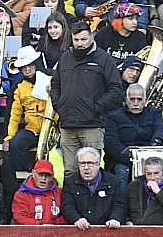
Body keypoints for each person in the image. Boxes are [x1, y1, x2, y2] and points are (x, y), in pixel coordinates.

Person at [52, 22, 123, 174]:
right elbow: (55, 84)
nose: (80, 44)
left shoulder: (104, 59)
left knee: (91, 171)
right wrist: (58, 105)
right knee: (70, 171)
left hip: (92, 125)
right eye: (76, 40)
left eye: (83, 39)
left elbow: (116, 89)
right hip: (67, 124)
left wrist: (97, 108)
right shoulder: (65, 57)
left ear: (92, 38)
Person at [104, 83, 163, 191]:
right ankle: (122, 201)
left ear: (145, 100)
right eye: (132, 99)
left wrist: (155, 143)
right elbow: (111, 143)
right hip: (124, 159)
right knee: (122, 174)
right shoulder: (113, 117)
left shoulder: (154, 113)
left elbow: (161, 130)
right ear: (126, 100)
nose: (136, 103)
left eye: (139, 99)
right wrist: (133, 159)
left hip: (150, 156)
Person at [61, 147, 126, 229]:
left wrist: (115, 218)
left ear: (98, 165)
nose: (86, 167)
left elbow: (119, 204)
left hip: (107, 230)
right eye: (82, 163)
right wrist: (76, 219)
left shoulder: (113, 181)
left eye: (90, 163)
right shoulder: (70, 182)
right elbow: (67, 206)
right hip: (79, 230)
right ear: (78, 165)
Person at [12, 159, 65, 225]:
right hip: (29, 231)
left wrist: (54, 226)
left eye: (47, 175)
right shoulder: (21, 194)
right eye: (40, 174)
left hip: (55, 230)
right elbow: (20, 217)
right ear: (33, 173)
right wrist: (40, 226)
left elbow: (66, 215)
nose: (43, 178)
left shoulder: (60, 192)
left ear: (52, 177)